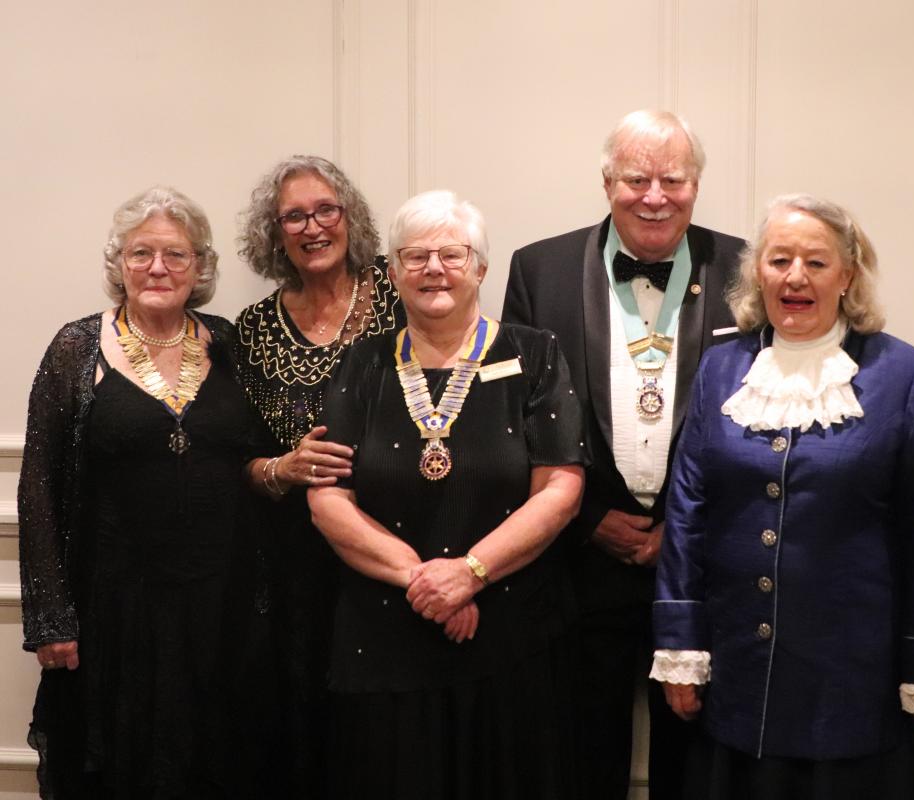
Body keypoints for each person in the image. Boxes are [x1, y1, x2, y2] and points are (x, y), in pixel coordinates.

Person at [652, 194, 914, 800]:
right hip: (737, 671)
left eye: (816, 263)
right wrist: (679, 645)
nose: (795, 277)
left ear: (848, 276)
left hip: (851, 682)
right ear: (758, 272)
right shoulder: (721, 367)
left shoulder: (904, 373)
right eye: (780, 260)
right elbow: (686, 513)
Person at [307, 189, 587, 798]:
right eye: (415, 256)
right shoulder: (361, 365)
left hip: (512, 638)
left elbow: (561, 489)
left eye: (452, 254)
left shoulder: (534, 355)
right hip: (383, 640)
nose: (433, 268)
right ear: (392, 272)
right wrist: (427, 581)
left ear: (481, 267)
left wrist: (472, 572)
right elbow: (328, 500)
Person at [503, 109, 745, 799]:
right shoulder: (538, 268)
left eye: (674, 179)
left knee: (698, 764)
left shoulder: (744, 266)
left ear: (697, 184)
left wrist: (684, 525)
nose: (655, 196)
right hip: (578, 562)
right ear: (607, 182)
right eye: (637, 178)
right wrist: (584, 517)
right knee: (579, 761)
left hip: (701, 563)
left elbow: (760, 412)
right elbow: (517, 420)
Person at [18, 187, 267, 797]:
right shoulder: (76, 348)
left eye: (176, 255)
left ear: (200, 268)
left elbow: (256, 455)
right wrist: (51, 617)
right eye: (141, 253)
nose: (158, 268)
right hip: (113, 609)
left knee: (214, 758)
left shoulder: (227, 342)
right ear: (118, 262)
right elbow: (39, 487)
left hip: (219, 603)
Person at [234, 155, 403, 796]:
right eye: (293, 216)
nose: (312, 226)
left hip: (394, 542)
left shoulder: (400, 291)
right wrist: (282, 467)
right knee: (306, 721)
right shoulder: (251, 329)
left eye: (325, 209)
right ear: (275, 234)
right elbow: (235, 460)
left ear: (349, 217)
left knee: (384, 724)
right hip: (293, 565)